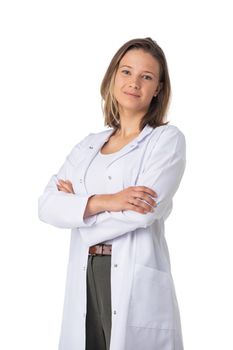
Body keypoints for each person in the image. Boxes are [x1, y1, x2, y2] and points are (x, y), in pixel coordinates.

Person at [38, 37, 186, 350]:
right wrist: (106, 201)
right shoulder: (89, 145)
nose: (134, 83)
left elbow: (141, 212)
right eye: (126, 72)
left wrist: (78, 208)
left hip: (133, 276)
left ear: (158, 88)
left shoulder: (165, 140)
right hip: (86, 270)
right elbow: (47, 205)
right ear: (113, 77)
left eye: (146, 77)